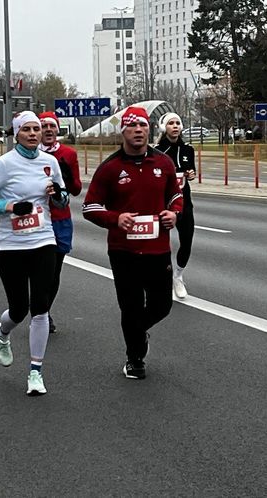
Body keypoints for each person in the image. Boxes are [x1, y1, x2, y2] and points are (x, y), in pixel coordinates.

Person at [0, 111, 68, 396]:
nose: (33, 134)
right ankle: (2, 333)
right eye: (26, 129)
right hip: (10, 244)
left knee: (40, 306)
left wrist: (57, 195)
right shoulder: (3, 164)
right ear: (16, 133)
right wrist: (9, 207)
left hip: (43, 240)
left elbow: (62, 200)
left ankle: (35, 372)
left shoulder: (50, 162)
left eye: (36, 129)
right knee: (19, 308)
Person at [83, 106, 183, 380]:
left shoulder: (163, 163)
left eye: (143, 126)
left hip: (157, 249)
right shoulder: (110, 168)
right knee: (131, 307)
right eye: (132, 127)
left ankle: (138, 333)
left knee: (162, 305)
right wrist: (116, 218)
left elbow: (175, 196)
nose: (138, 131)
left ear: (149, 130)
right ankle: (134, 358)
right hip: (123, 251)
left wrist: (174, 213)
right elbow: (89, 207)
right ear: (123, 131)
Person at [38, 111, 83, 333]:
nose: (47, 129)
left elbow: (76, 190)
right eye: (43, 125)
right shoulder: (29, 154)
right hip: (37, 218)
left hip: (60, 219)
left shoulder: (69, 153)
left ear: (57, 130)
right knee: (39, 270)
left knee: (54, 271)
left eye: (51, 126)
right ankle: (39, 309)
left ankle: (44, 311)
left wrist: (67, 176)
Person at [154, 112, 196, 299]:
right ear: (164, 127)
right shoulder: (156, 151)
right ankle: (162, 277)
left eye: (178, 123)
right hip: (162, 203)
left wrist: (191, 175)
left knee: (187, 240)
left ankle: (178, 275)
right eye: (171, 123)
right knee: (160, 244)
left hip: (184, 202)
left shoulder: (188, 149)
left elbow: (191, 171)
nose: (175, 126)